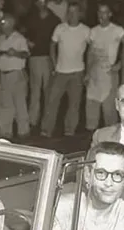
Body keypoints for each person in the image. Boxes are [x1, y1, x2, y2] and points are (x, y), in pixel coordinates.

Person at [40, 2, 90, 137]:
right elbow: (52, 46)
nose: (72, 15)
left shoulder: (86, 30)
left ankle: (70, 130)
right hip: (60, 71)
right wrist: (54, 64)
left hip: (78, 72)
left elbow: (92, 50)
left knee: (74, 104)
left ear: (80, 14)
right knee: (52, 101)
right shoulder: (60, 28)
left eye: (75, 12)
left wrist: (88, 70)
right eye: (70, 12)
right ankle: (46, 129)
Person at [85, 3, 124, 131]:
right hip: (95, 74)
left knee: (109, 110)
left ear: (110, 14)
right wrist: (87, 72)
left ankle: (112, 140)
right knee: (92, 108)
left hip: (110, 73)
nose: (102, 15)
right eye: (100, 12)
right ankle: (91, 137)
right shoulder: (93, 31)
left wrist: (120, 64)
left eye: (105, 12)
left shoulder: (118, 30)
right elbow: (90, 53)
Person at [21, 0, 60, 130]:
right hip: (34, 57)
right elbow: (21, 32)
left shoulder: (54, 19)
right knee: (35, 90)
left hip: (48, 58)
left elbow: (58, 40)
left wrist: (55, 61)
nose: (41, 3)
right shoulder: (29, 16)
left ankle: (47, 121)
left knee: (48, 91)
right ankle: (33, 121)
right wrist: (27, 42)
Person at [0, 14, 31, 138]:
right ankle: (5, 132)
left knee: (19, 103)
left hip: (16, 74)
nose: (1, 25)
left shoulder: (19, 38)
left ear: (11, 24)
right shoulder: (1, 38)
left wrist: (16, 53)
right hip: (3, 74)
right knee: (5, 103)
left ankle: (23, 132)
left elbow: (26, 54)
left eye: (3, 23)